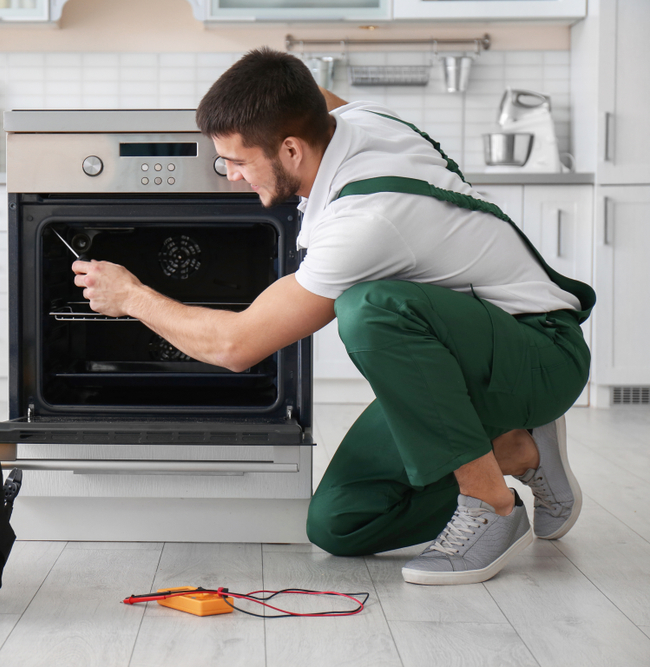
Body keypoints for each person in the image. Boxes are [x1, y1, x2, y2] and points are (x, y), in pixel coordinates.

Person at [72, 47, 594, 585]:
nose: (229, 175)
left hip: (539, 353)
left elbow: (235, 346)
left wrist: (131, 297)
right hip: (471, 351)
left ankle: (492, 509)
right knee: (339, 524)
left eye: (239, 161)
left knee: (370, 310)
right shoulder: (358, 119)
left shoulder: (363, 223)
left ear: (292, 148)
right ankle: (519, 448)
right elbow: (304, 89)